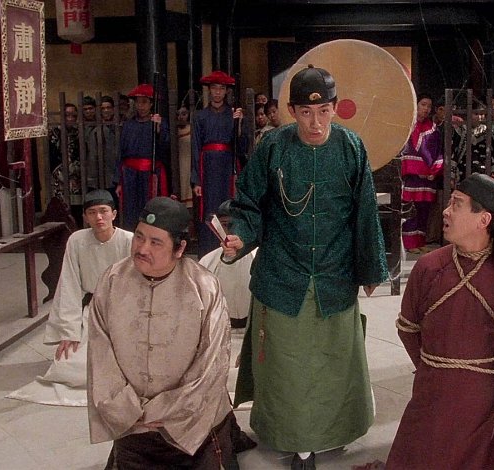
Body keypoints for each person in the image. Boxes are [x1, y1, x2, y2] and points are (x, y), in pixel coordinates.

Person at [222, 64, 388, 470]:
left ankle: (332, 433)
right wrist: (241, 235)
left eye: (324, 111)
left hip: (335, 272)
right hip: (282, 271)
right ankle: (290, 438)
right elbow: (249, 202)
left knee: (333, 362)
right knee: (286, 365)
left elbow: (365, 212)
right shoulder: (273, 147)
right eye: (306, 113)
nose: (316, 123)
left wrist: (370, 269)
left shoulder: (351, 147)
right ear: (292, 111)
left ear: (335, 108)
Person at [87, 197, 235, 468]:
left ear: (180, 249)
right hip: (133, 423)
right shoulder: (112, 281)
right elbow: (100, 355)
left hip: (193, 425)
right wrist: (129, 410)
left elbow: (211, 364)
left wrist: (165, 411)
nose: (142, 248)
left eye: (156, 242)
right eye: (139, 237)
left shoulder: (204, 287)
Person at [387, 173, 494, 470]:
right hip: (433, 389)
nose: (446, 212)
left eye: (456, 204)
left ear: (483, 219)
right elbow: (408, 328)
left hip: (487, 395)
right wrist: (435, 369)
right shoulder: (429, 267)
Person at [7, 190, 132, 406]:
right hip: (93, 309)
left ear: (114, 214)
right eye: (92, 213)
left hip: (123, 310)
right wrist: (69, 332)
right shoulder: (77, 240)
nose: (98, 217)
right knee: (70, 368)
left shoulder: (129, 241)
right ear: (85, 217)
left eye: (103, 211)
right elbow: (69, 286)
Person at [192, 70, 248, 257]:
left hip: (227, 166)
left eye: (221, 88)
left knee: (229, 206)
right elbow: (195, 148)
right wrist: (196, 180)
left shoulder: (233, 114)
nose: (217, 92)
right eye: (214, 88)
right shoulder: (200, 116)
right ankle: (208, 252)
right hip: (207, 167)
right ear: (209, 90)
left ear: (226, 91)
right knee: (209, 208)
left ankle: (230, 249)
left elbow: (241, 147)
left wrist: (239, 124)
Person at [114, 83, 170, 231]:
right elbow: (121, 153)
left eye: (144, 102)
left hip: (150, 173)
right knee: (131, 210)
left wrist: (159, 129)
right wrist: (119, 181)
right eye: (138, 102)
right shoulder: (128, 125)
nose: (141, 106)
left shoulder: (158, 123)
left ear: (151, 104)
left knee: (150, 209)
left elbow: (165, 147)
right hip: (130, 175)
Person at [199, 200, 255, 329]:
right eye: (225, 225)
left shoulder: (259, 257)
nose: (231, 230)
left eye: (236, 224)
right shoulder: (207, 261)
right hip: (218, 329)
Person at [401, 93, 443, 254]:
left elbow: (438, 150)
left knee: (424, 210)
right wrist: (417, 170)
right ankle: (409, 242)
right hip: (412, 176)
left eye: (429, 106)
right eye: (423, 104)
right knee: (410, 209)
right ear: (416, 104)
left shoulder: (433, 128)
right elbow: (405, 151)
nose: (426, 109)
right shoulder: (408, 126)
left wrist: (434, 170)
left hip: (428, 176)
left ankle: (420, 241)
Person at [49, 102, 83, 224]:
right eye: (67, 115)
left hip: (77, 177)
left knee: (77, 208)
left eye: (73, 115)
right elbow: (51, 157)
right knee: (62, 208)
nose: (70, 118)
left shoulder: (79, 132)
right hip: (59, 177)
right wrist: (61, 174)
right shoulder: (54, 133)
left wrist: (76, 169)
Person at [175, 106, 193, 206]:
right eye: (178, 114)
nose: (181, 117)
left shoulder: (192, 129)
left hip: (189, 162)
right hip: (177, 163)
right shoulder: (172, 131)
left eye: (184, 114)